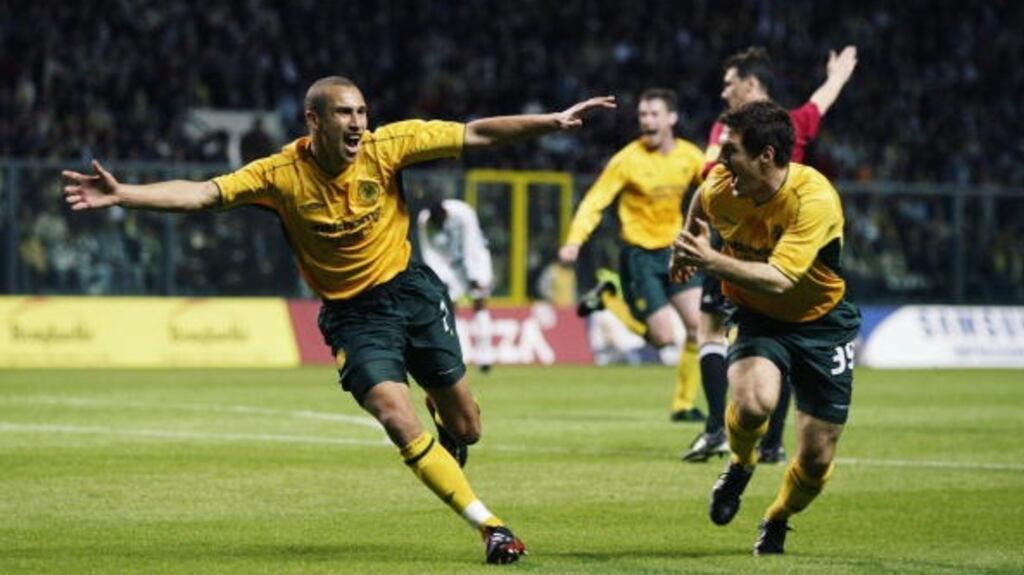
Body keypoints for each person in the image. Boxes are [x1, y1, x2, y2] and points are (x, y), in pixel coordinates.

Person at [61, 75, 616, 565]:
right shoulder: (279, 174)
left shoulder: (388, 145)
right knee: (393, 414)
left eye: (361, 112)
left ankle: (449, 425)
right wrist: (124, 196)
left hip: (412, 293)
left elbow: (477, 134)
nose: (357, 123)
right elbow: (203, 194)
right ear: (314, 120)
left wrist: (552, 122)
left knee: (467, 428)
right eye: (345, 113)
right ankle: (491, 528)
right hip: (353, 316)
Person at [671, 100, 861, 555]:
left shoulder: (812, 199)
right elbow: (701, 197)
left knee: (816, 459)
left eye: (730, 151)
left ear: (767, 156)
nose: (720, 161)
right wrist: (686, 240)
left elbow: (781, 279)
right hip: (757, 315)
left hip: (823, 324)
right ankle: (740, 463)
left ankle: (777, 516)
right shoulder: (723, 186)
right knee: (754, 404)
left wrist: (710, 259)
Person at [682, 45, 858, 464]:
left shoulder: (725, 132)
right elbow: (821, 102)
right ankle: (772, 442)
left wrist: (698, 247)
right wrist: (838, 75)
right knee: (774, 339)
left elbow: (710, 180)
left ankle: (715, 430)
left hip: (739, 248)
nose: (725, 93)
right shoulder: (795, 123)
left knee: (709, 331)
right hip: (784, 252)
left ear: (751, 84)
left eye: (729, 84)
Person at [559, 88, 706, 422]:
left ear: (672, 118)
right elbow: (595, 201)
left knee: (698, 326)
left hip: (677, 251)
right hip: (640, 255)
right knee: (663, 338)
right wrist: (574, 241)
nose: (647, 121)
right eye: (642, 115)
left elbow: (714, 187)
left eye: (654, 114)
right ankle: (609, 298)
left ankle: (684, 404)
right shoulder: (627, 160)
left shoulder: (690, 156)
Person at [417, 198, 496, 373]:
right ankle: (461, 354)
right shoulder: (425, 220)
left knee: (480, 303)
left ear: (446, 214)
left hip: (476, 258)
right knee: (450, 306)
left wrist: (475, 276)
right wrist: (439, 276)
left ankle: (485, 357)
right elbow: (429, 252)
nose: (438, 225)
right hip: (449, 266)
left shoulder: (464, 212)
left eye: (440, 221)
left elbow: (472, 244)